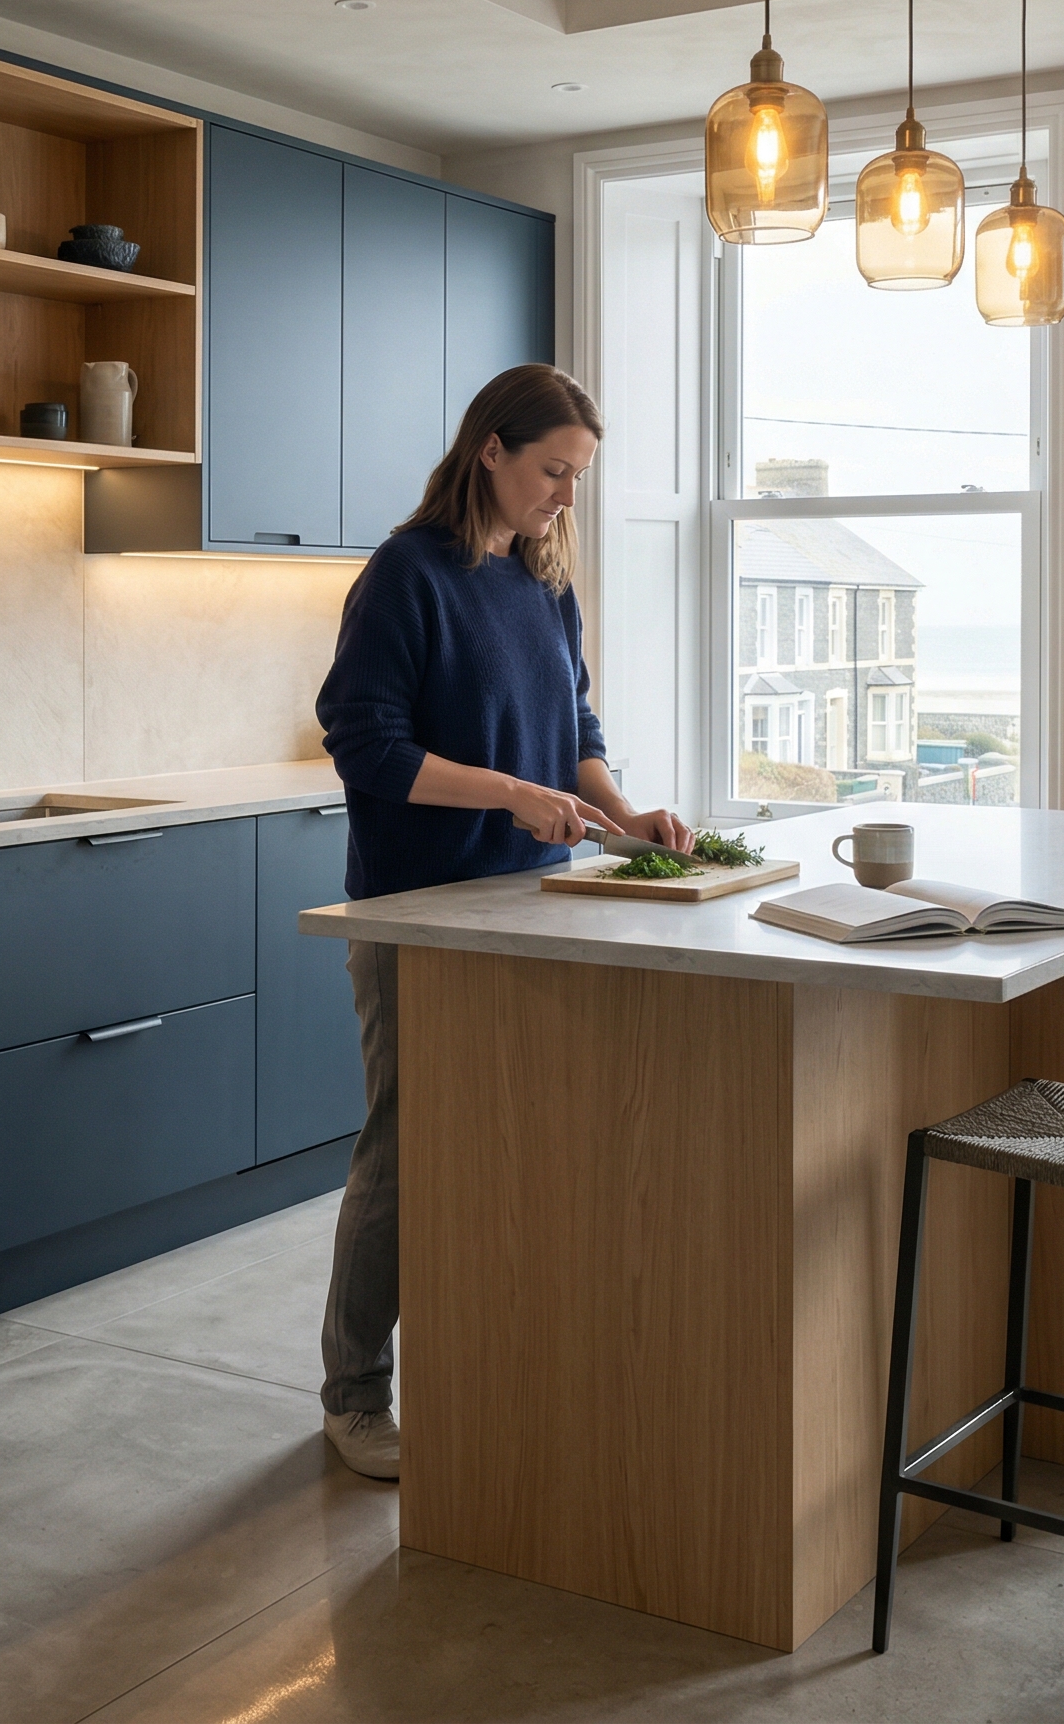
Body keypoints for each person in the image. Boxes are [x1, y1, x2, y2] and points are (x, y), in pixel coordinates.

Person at [312, 363, 695, 1479]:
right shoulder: (406, 573)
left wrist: (622, 816)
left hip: (539, 902)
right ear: (491, 449)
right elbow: (364, 744)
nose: (564, 496)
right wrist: (509, 793)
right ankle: (352, 1394)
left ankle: (494, 1369)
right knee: (402, 1150)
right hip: (419, 916)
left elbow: (572, 721)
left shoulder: (543, 579)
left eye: (577, 476)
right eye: (552, 471)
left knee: (520, 1145)